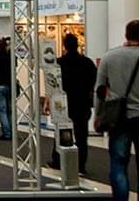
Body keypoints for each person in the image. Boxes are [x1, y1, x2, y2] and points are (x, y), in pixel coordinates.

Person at [96, 19, 139, 199]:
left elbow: (100, 90)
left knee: (118, 165)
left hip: (118, 119)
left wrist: (98, 114)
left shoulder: (109, 57)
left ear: (126, 35)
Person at [50, 33, 96, 174]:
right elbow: (93, 81)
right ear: (77, 45)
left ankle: (58, 161)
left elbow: (53, 84)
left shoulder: (59, 63)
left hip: (64, 103)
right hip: (82, 103)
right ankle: (81, 165)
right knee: (82, 136)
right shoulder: (87, 63)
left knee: (61, 132)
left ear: (65, 46)